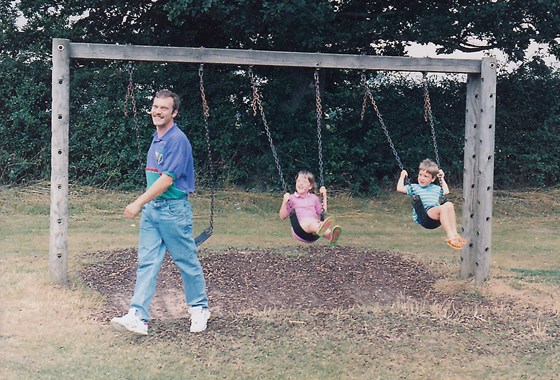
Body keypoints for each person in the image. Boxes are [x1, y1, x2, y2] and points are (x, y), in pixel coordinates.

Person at [111, 89, 210, 335]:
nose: (157, 111)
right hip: (153, 212)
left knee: (185, 261)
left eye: (164, 108)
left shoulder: (177, 139)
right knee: (147, 263)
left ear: (174, 112)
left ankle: (199, 309)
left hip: (173, 211)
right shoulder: (157, 138)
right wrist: (146, 205)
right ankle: (138, 317)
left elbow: (167, 180)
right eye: (155, 107)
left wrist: (137, 203)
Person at [396, 159, 467, 250]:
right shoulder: (414, 187)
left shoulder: (436, 188)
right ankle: (450, 237)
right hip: (424, 215)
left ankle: (455, 234)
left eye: (426, 176)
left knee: (449, 204)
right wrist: (402, 176)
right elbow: (399, 188)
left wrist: (441, 178)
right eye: (420, 175)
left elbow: (446, 191)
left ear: (433, 179)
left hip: (435, 214)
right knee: (442, 208)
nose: (421, 178)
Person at [279, 171, 342, 245]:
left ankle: (331, 236)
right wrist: (284, 202)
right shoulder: (292, 198)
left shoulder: (313, 198)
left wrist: (324, 196)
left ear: (310, 186)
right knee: (313, 223)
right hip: (300, 229)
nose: (300, 183)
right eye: (298, 181)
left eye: (304, 182)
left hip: (313, 228)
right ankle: (323, 231)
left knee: (319, 224)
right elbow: (282, 217)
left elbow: (322, 212)